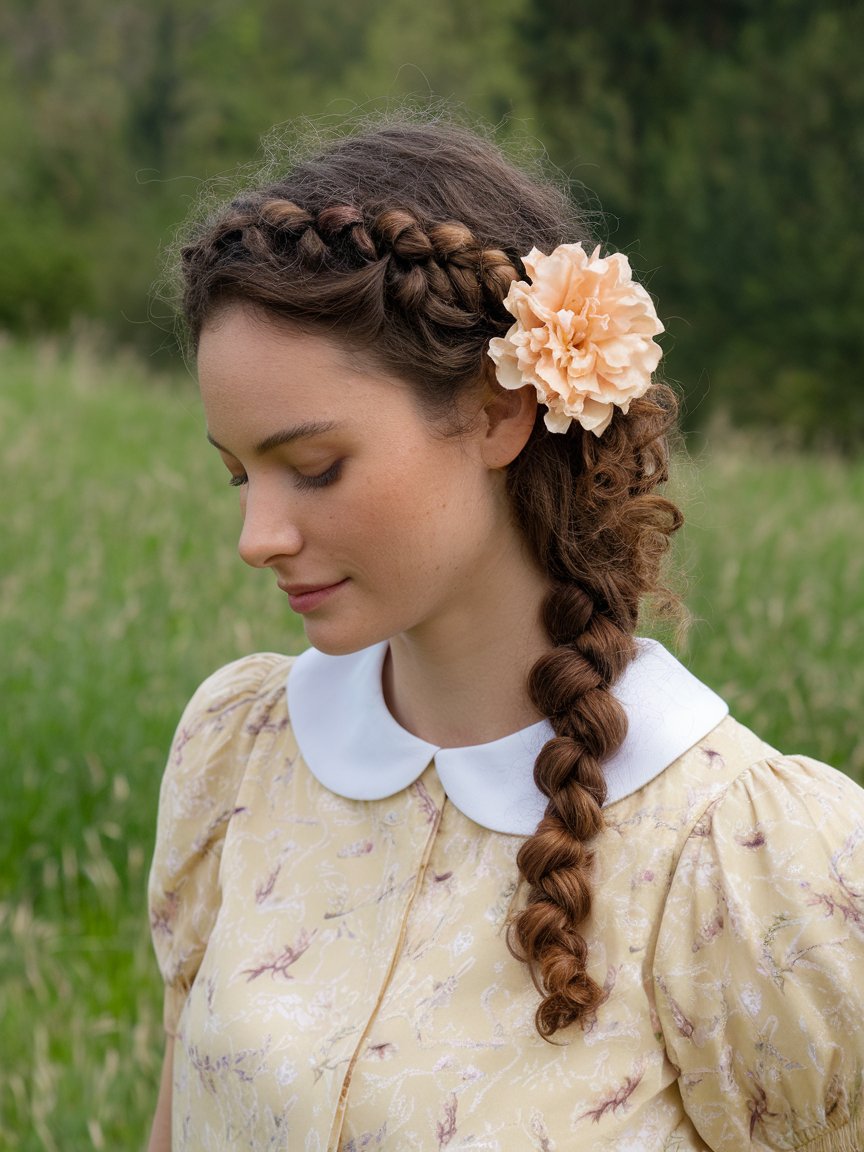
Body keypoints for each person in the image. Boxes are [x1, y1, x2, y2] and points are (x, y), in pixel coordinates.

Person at [147, 121, 864, 1151]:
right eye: (237, 474)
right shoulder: (239, 754)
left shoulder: (753, 867)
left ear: (498, 412)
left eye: (313, 467)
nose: (257, 537)